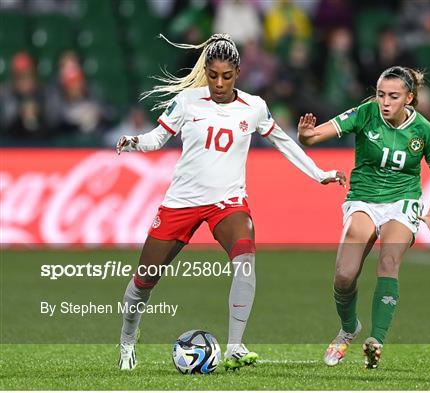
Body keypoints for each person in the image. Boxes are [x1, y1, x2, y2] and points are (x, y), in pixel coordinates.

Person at [115, 33, 346, 371]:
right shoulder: (187, 102)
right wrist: (134, 141)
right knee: (144, 280)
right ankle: (127, 341)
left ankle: (235, 346)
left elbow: (285, 143)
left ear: (238, 72)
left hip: (228, 202)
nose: (219, 83)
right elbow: (157, 138)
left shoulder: (254, 107)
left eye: (226, 76)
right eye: (213, 75)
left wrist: (319, 173)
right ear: (205, 72)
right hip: (181, 201)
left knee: (245, 257)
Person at [298, 66, 430, 369]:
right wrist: (305, 135)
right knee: (343, 276)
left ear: (410, 97)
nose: (385, 102)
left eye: (393, 96)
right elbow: (314, 137)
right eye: (381, 94)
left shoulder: (424, 130)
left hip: (403, 202)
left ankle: (376, 340)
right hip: (364, 200)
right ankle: (348, 328)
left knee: (388, 262)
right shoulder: (365, 114)